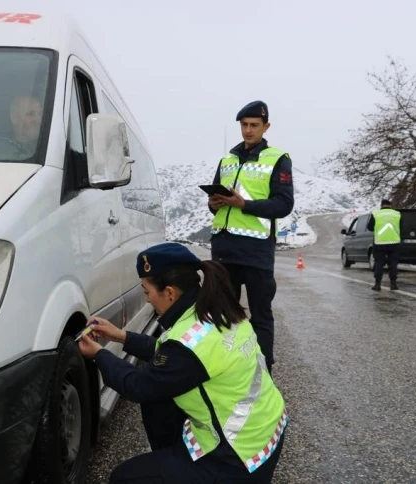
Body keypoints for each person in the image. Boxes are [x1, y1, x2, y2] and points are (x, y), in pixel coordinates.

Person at [78, 242, 288, 483]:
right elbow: (169, 357)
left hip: (238, 457)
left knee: (124, 478)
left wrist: (98, 354)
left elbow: (139, 385)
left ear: (169, 293)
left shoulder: (188, 344)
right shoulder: (214, 310)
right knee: (159, 404)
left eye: (147, 291)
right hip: (266, 431)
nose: (146, 300)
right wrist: (120, 336)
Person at [207, 100, 294, 375]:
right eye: (244, 125)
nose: (247, 130)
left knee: (260, 314)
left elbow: (283, 205)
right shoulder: (227, 160)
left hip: (256, 251)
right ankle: (228, 367)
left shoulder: (278, 159)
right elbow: (214, 202)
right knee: (224, 314)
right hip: (224, 248)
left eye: (254, 125)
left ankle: (263, 370)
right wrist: (215, 203)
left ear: (266, 126)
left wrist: (243, 204)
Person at [367, 199, 402, 291]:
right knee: (393, 264)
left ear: (381, 205)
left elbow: (370, 228)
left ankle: (377, 285)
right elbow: (402, 226)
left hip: (379, 243)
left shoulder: (375, 214)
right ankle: (393, 284)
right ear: (390, 205)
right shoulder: (397, 214)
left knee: (379, 263)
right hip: (394, 242)